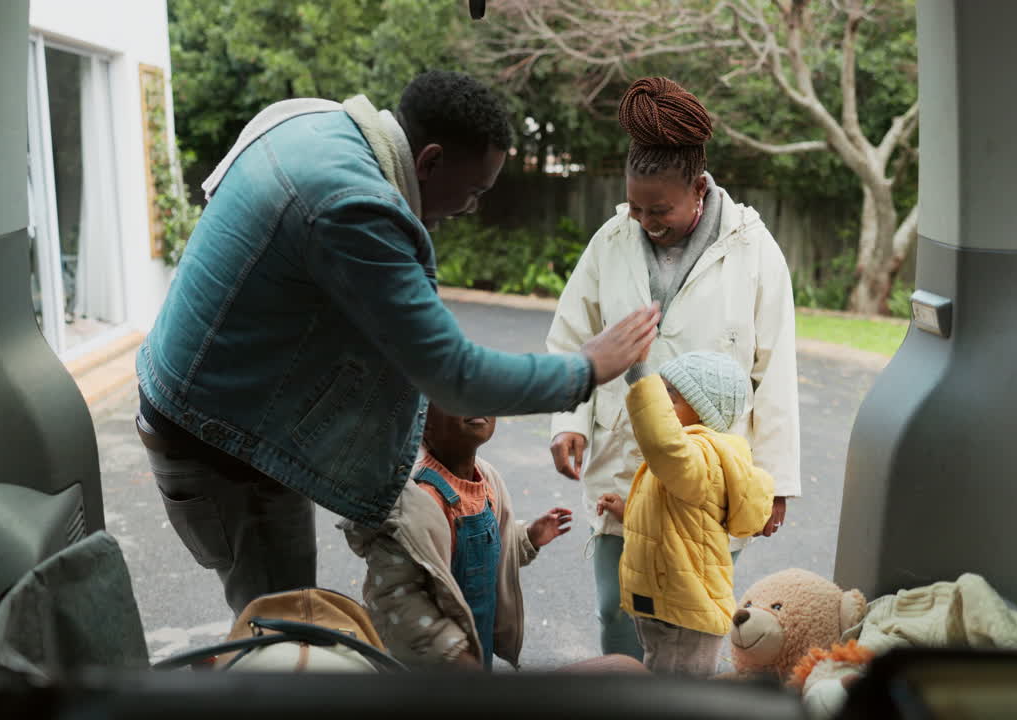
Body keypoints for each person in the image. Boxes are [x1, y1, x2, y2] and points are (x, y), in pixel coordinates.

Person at [136, 70, 659, 616]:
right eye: (475, 192)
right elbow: (454, 377)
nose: (471, 209)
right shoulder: (353, 205)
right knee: (282, 626)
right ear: (429, 161)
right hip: (217, 441)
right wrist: (586, 367)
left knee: (284, 614)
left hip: (215, 409)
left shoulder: (316, 124)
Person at [546, 77, 801, 660]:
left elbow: (776, 369)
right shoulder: (611, 240)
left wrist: (776, 482)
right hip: (622, 463)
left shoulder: (753, 249)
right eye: (635, 206)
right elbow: (573, 337)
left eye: (659, 209)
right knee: (617, 609)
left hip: (705, 478)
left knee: (692, 618)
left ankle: (677, 696)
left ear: (698, 188)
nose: (644, 220)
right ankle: (623, 695)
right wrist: (569, 422)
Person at [341, 404, 571, 669]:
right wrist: (453, 653)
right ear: (424, 423)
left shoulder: (487, 481)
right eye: (456, 395)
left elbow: (492, 554)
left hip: (476, 654)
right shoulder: (415, 504)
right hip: (433, 666)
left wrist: (529, 536)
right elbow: (396, 598)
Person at [595, 351, 774, 676]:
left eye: (671, 396)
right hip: (669, 608)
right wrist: (628, 512)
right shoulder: (687, 463)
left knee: (673, 694)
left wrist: (640, 376)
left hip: (685, 616)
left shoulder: (702, 458)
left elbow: (663, 443)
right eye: (660, 391)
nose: (662, 403)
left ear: (704, 412)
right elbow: (671, 521)